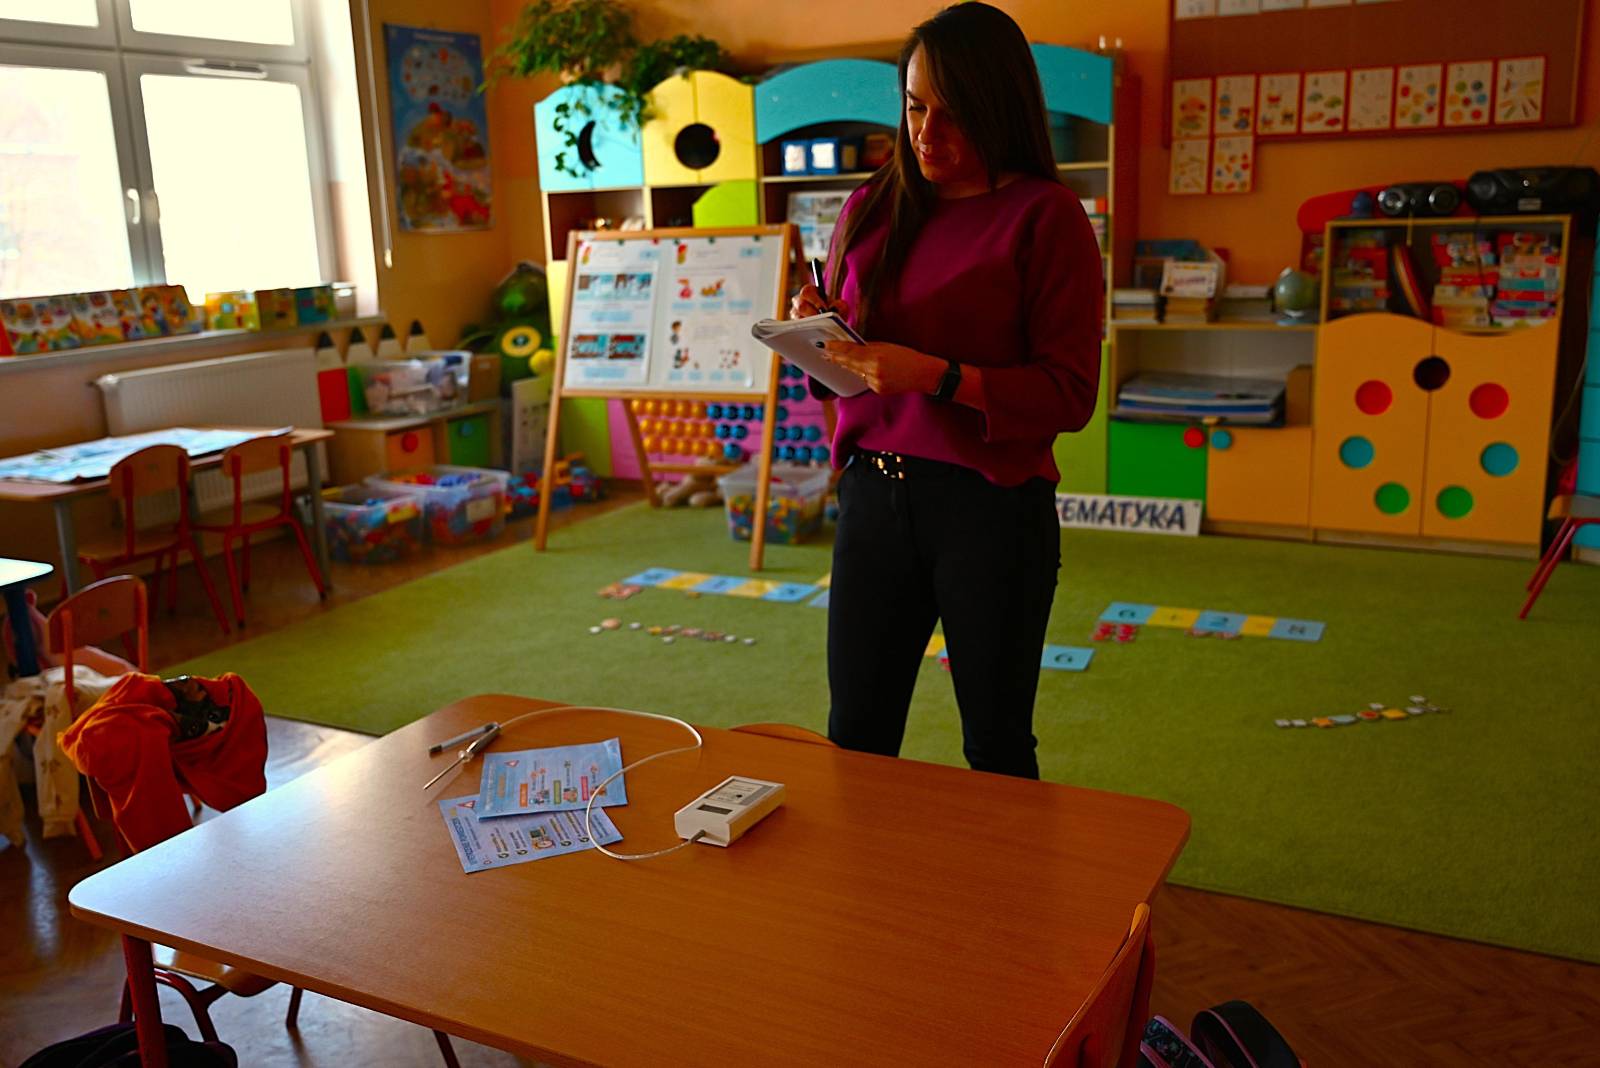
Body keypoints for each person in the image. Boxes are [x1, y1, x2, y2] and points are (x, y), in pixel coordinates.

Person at [789, 2, 1102, 779]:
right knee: (855, 738)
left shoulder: (1046, 216)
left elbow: (1069, 394)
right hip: (872, 495)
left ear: (1001, 108)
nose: (927, 134)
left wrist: (936, 375)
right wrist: (819, 331)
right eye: (915, 107)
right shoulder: (871, 204)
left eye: (954, 113)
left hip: (989, 508)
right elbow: (849, 374)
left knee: (995, 745)